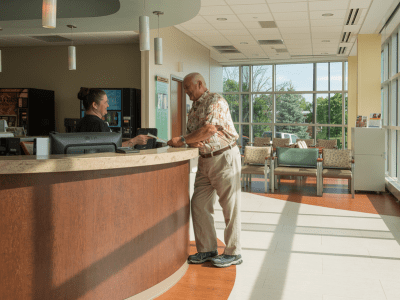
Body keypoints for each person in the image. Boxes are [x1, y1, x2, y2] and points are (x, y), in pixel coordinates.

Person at [167, 73, 242, 268]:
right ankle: (208, 248)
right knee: (199, 204)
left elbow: (209, 129)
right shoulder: (195, 107)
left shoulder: (215, 100)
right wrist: (192, 139)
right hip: (205, 161)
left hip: (224, 158)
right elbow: (198, 135)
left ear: (199, 84)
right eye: (184, 88)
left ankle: (234, 252)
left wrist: (183, 140)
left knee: (230, 207)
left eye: (187, 87)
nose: (185, 91)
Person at [76, 87, 152, 147]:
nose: (108, 105)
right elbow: (111, 148)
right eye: (105, 102)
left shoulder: (80, 123)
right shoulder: (99, 125)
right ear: (95, 105)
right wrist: (135, 141)